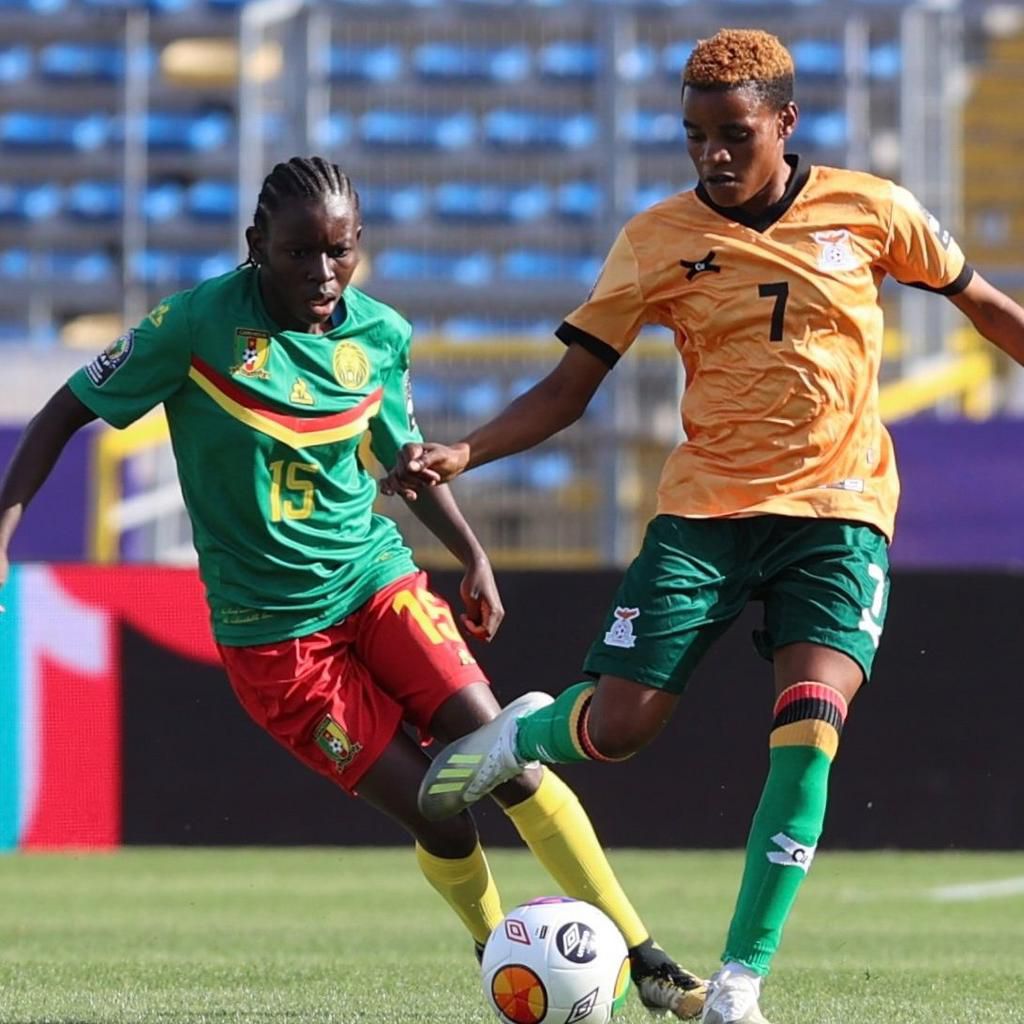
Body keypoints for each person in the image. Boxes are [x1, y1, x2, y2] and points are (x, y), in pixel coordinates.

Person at [381, 29, 1024, 1024]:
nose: (711, 156)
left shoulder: (873, 209)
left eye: (731, 135)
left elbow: (983, 306)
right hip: (705, 515)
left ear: (784, 123)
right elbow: (569, 388)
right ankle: (532, 731)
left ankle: (738, 983)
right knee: (623, 727)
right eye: (693, 136)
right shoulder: (655, 240)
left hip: (838, 512)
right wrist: (466, 451)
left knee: (810, 730)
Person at [0, 156, 707, 1019]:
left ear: (358, 246)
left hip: (376, 583)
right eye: (299, 254)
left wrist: (471, 551)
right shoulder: (191, 327)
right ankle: (497, 956)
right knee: (437, 810)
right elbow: (63, 411)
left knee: (501, 756)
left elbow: (401, 457)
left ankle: (645, 957)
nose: (322, 274)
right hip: (276, 639)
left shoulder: (379, 335)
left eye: (339, 252)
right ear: (256, 245)